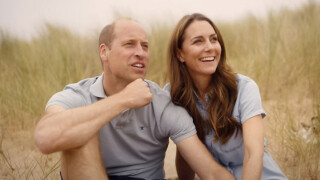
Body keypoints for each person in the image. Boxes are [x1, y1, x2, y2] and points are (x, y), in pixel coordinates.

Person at [34, 18, 236, 180]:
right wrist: (124, 100)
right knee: (78, 131)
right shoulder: (79, 95)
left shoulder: (162, 104)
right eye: (130, 44)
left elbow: (209, 171)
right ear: (104, 52)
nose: (140, 53)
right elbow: (45, 138)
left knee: (78, 125)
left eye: (145, 46)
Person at [166, 13, 288, 180]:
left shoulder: (244, 88)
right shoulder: (173, 96)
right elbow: (184, 152)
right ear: (180, 54)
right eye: (198, 41)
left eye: (213, 39)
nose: (209, 47)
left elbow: (254, 154)